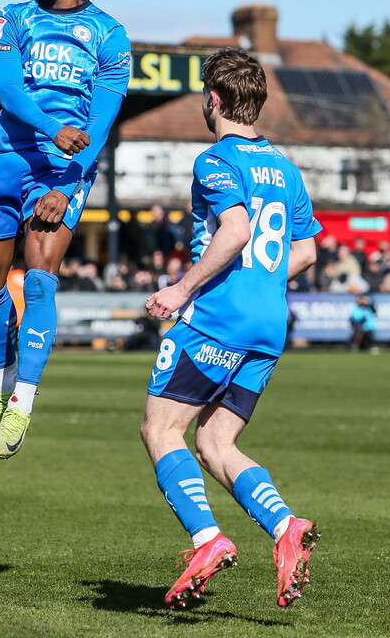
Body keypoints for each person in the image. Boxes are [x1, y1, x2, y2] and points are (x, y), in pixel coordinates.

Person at [139, 48, 322, 609]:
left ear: (213, 99)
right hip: (269, 323)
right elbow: (307, 251)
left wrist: (182, 288)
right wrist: (261, 283)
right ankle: (286, 526)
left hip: (218, 316)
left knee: (160, 430)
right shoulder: (286, 168)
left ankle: (208, 539)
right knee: (216, 441)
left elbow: (236, 230)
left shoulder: (215, 160)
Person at [0, 0, 130, 459]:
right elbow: (8, 92)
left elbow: (102, 122)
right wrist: (51, 127)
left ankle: (23, 403)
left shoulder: (109, 35)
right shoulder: (9, 18)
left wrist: (71, 179)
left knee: (39, 275)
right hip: (8, 159)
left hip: (61, 171)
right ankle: (6, 383)